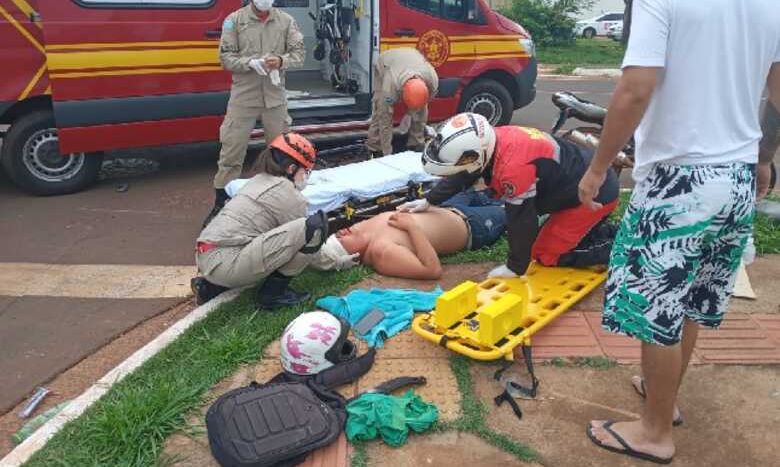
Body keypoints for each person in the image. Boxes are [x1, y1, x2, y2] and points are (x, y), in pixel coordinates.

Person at [577, 0, 780, 465]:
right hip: (737, 177)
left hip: (679, 182)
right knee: (689, 301)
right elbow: (778, 90)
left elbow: (636, 88)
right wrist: (765, 156)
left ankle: (654, 433)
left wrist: (598, 167)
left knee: (656, 306)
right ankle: (663, 398)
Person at [400, 113, 620, 277]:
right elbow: (464, 172)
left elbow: (522, 220)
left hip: (593, 195)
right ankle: (604, 232)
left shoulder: (513, 169)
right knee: (541, 243)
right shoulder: (492, 140)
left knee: (547, 254)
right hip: (577, 182)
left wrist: (515, 267)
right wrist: (430, 200)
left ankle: (621, 246)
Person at [209, 0, 306, 221]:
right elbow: (225, 58)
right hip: (244, 97)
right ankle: (222, 203)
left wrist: (282, 61)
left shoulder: (285, 22)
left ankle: (281, 204)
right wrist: (249, 63)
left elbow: (299, 54)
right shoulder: (235, 21)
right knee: (231, 151)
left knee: (283, 153)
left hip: (275, 98)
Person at [192, 133, 329, 309]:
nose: (306, 176)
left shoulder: (257, 180)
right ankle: (274, 294)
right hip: (227, 262)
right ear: (291, 168)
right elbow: (307, 246)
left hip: (206, 256)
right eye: (306, 171)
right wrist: (340, 261)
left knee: (263, 236)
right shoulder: (290, 196)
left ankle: (210, 287)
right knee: (314, 226)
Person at [312, 190, 507, 279]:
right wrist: (412, 228)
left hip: (447, 207)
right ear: (351, 258)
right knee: (518, 206)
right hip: (472, 226)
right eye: (339, 242)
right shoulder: (382, 252)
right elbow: (432, 270)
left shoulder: (361, 230)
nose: (339, 233)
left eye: (334, 235)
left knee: (488, 187)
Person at [367, 47, 439, 158]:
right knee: (380, 110)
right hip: (385, 63)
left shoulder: (432, 79)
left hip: (411, 57)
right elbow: (385, 120)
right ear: (402, 94)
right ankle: (375, 147)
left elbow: (426, 101)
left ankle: (416, 144)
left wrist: (410, 113)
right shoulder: (390, 87)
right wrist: (387, 154)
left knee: (420, 111)